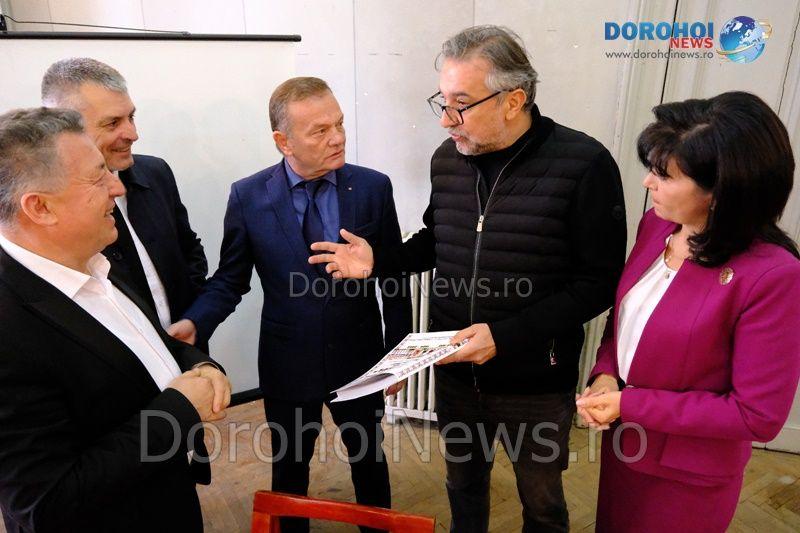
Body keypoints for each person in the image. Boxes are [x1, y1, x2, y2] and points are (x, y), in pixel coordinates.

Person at [309, 26, 627, 532]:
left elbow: (599, 281)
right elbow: (437, 239)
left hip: (536, 382)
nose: (445, 120)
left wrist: (505, 336)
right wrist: (378, 262)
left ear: (513, 100)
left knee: (542, 502)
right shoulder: (448, 159)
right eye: (442, 101)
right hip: (456, 371)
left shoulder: (583, 165)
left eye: (461, 105)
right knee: (463, 487)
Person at [169, 77, 411, 532]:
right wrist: (197, 323)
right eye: (320, 130)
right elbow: (231, 278)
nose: (337, 138)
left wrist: (399, 356)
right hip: (287, 359)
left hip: (360, 357)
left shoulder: (373, 187)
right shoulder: (248, 196)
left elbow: (393, 275)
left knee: (369, 460)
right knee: (290, 467)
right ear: (283, 141)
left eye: (339, 124)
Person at [576, 91, 800, 533]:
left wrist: (630, 403)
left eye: (664, 174)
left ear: (722, 190)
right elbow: (627, 321)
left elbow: (756, 415)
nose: (648, 182)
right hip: (627, 447)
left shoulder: (774, 276)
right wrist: (605, 374)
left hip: (688, 475)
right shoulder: (658, 225)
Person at [0, 107, 231, 532]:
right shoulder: (9, 328)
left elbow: (143, 339)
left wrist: (197, 362)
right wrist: (178, 411)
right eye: (97, 177)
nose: (118, 187)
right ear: (40, 207)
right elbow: (46, 504)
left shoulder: (95, 255)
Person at [41, 58, 208, 348]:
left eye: (131, 117)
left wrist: (192, 316)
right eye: (113, 123)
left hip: (187, 349)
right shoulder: (47, 206)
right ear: (64, 128)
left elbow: (189, 250)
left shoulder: (156, 172)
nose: (133, 134)